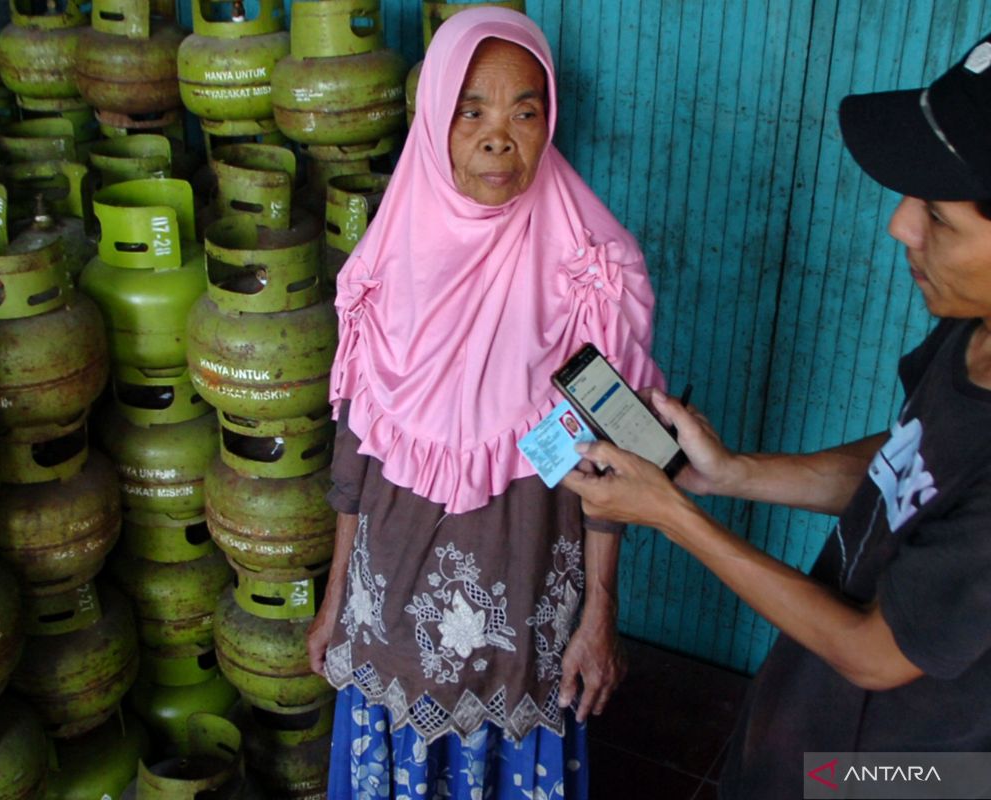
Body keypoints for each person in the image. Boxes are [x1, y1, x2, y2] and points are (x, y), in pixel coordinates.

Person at [561, 31, 991, 799]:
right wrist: (732, 474)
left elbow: (871, 650)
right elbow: (905, 463)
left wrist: (671, 515)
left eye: (939, 215)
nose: (901, 226)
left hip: (909, 772)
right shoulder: (973, 330)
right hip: (815, 723)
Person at [305, 7, 664, 798]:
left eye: (524, 111)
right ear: (435, 115)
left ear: (549, 122)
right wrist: (336, 601)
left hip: (525, 601)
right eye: (472, 110)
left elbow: (618, 459)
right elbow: (355, 446)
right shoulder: (385, 262)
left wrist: (600, 614)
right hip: (388, 608)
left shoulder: (593, 270)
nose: (499, 137)